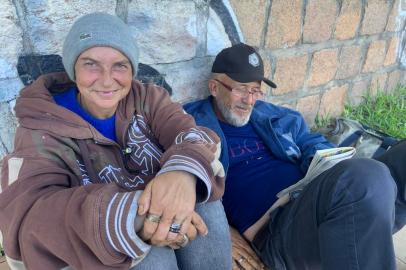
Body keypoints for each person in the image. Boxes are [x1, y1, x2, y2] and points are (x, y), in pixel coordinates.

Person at [0, 12, 232, 270]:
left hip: (165, 218)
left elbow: (192, 134)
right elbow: (30, 219)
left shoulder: (148, 99)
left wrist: (182, 174)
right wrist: (134, 218)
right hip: (95, 244)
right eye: (91, 64)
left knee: (205, 203)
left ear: (132, 69)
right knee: (151, 259)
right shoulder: (40, 129)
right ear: (72, 68)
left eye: (119, 65)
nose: (107, 79)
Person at [185, 43, 406, 270]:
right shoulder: (190, 123)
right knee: (365, 177)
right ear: (214, 87)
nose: (249, 100)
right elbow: (173, 171)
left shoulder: (275, 116)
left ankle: (363, 222)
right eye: (241, 89)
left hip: (316, 200)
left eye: (255, 90)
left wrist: (326, 162)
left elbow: (312, 142)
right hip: (279, 231)